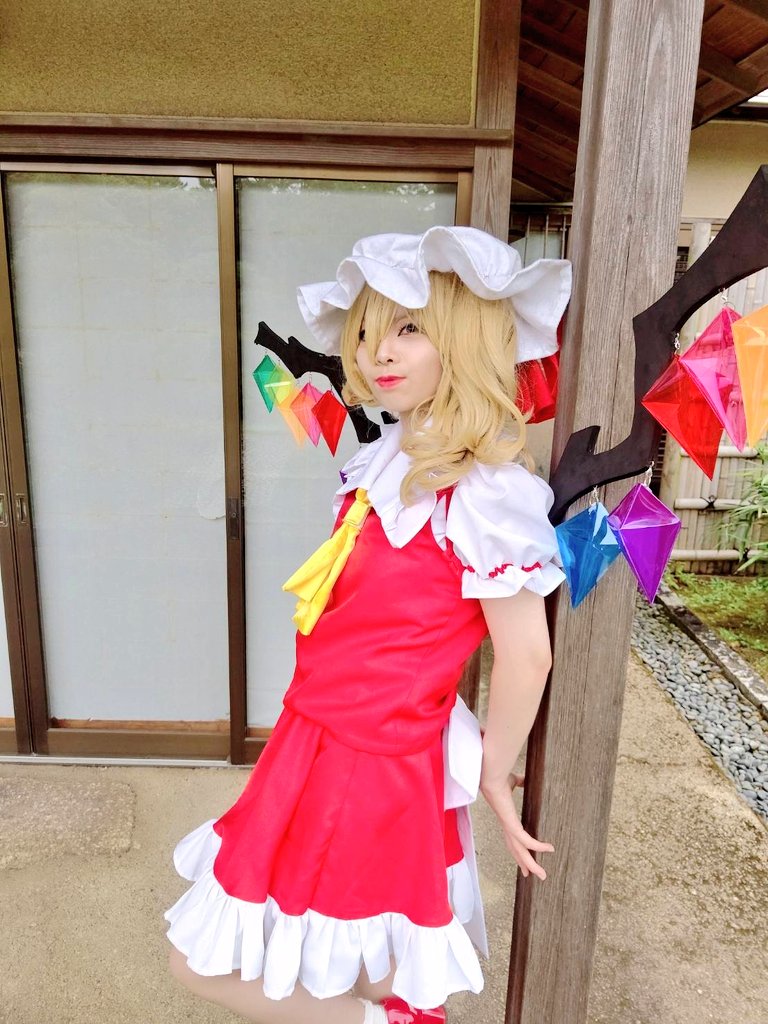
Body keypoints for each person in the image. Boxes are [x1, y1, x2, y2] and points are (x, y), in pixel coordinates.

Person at [165, 225, 572, 1024]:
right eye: (366, 331)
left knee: (214, 962)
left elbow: (527, 655)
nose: (378, 351)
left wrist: (493, 772)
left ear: (466, 337)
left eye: (409, 327)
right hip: (315, 742)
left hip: (372, 766)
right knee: (354, 966)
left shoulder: (487, 493)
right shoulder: (385, 461)